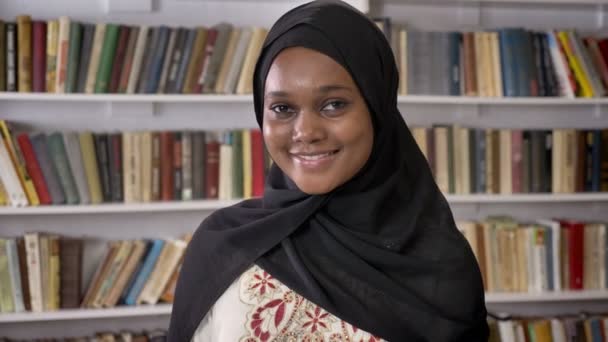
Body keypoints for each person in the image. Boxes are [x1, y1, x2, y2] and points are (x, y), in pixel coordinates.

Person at [168, 1, 489, 341]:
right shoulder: (222, 244)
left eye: (333, 104)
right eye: (282, 108)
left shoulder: (441, 265)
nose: (305, 132)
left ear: (377, 108)